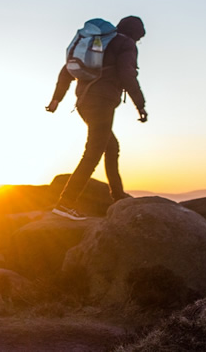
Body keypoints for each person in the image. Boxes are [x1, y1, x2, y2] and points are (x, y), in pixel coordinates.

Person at [45, 16, 147, 220]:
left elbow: (66, 70)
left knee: (111, 147)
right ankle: (65, 203)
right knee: (93, 152)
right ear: (136, 34)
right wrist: (140, 104)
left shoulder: (98, 43)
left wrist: (56, 99)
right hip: (102, 103)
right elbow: (127, 74)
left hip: (84, 102)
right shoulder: (125, 44)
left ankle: (117, 196)